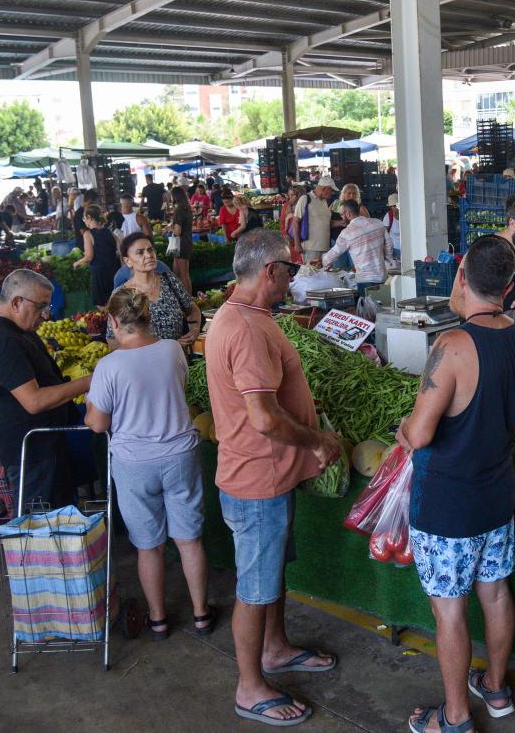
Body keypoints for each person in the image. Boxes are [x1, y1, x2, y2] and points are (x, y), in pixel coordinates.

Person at [399, 235, 515, 733]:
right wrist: (493, 422)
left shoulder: (453, 344)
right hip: (495, 496)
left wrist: (404, 427)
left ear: (461, 276)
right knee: (496, 592)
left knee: (449, 610)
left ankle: (455, 717)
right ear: (509, 286)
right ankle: (495, 688)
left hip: (447, 503)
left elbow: (420, 435)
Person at [205, 229, 342, 727]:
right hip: (256, 481)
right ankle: (250, 686)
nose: (293, 274)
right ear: (269, 272)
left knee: (269, 577)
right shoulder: (243, 329)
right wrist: (316, 441)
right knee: (254, 588)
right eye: (289, 268)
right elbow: (262, 418)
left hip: (270, 476)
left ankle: (275, 648)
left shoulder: (248, 316)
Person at [85, 287, 214, 641]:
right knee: (189, 540)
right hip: (180, 456)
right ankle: (202, 614)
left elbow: (98, 424)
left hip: (134, 464)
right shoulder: (172, 349)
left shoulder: (107, 366)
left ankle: (158, 620)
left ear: (112, 322)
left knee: (149, 545)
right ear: (148, 316)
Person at [0, 269, 91, 510]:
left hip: (41, 442)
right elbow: (34, 401)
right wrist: (90, 380)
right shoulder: (3, 341)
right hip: (32, 451)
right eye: (40, 307)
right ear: (16, 303)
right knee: (42, 528)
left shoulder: (3, 318)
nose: (46, 316)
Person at [110, 232, 200, 348]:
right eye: (140, 252)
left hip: (176, 360)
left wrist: (194, 330)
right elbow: (112, 338)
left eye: (150, 250)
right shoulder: (120, 294)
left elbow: (192, 310)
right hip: (143, 363)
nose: (148, 255)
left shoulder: (170, 280)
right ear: (128, 261)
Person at [321, 199, 392, 294]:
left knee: (368, 308)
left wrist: (322, 261)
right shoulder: (378, 223)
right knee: (383, 305)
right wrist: (387, 261)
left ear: (348, 214)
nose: (342, 217)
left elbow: (333, 254)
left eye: (342, 214)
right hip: (382, 276)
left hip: (365, 280)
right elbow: (389, 245)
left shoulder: (347, 233)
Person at [72, 204, 119, 307]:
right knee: (113, 300)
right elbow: (118, 250)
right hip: (113, 269)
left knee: (102, 305)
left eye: (84, 218)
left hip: (100, 273)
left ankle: (109, 322)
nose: (84, 221)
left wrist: (77, 263)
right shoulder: (110, 232)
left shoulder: (88, 234)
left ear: (89, 217)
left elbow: (89, 256)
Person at [295, 176, 335, 263]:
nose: (332, 193)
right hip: (311, 249)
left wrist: (341, 223)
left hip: (325, 248)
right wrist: (297, 243)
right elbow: (295, 222)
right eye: (331, 190)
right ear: (324, 189)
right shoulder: (305, 199)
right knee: (311, 274)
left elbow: (326, 223)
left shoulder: (324, 202)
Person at [169, 186, 194, 295]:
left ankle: (190, 302)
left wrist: (168, 228)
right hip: (184, 242)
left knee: (183, 274)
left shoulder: (179, 210)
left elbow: (178, 231)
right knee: (177, 272)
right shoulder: (186, 207)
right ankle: (181, 297)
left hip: (180, 243)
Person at [281, 184, 305, 263]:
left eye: (292, 195)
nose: (290, 198)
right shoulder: (286, 206)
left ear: (299, 195)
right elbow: (282, 222)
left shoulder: (304, 206)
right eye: (289, 195)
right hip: (290, 240)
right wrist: (285, 235)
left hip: (301, 239)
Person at [383, 193, 401, 259]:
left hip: (408, 248)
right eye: (391, 206)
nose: (393, 208)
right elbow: (384, 234)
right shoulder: (388, 216)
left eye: (395, 205)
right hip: (395, 249)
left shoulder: (406, 214)